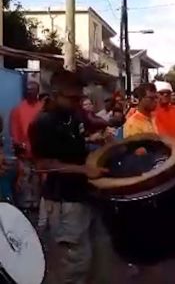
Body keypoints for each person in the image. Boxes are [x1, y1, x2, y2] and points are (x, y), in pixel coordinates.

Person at [28, 70, 113, 284]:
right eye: (73, 98)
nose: (78, 102)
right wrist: (83, 170)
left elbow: (90, 130)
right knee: (73, 263)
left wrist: (100, 141)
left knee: (98, 258)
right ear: (55, 94)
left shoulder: (74, 115)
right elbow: (43, 164)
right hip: (64, 200)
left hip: (86, 195)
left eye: (80, 97)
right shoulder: (43, 123)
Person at [10, 81, 43, 211]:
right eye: (28, 89)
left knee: (37, 179)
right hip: (24, 152)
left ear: (37, 91)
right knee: (24, 178)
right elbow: (14, 129)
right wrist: (18, 144)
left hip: (39, 152)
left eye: (33, 89)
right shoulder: (18, 109)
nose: (30, 91)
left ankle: (36, 204)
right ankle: (25, 205)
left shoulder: (42, 108)